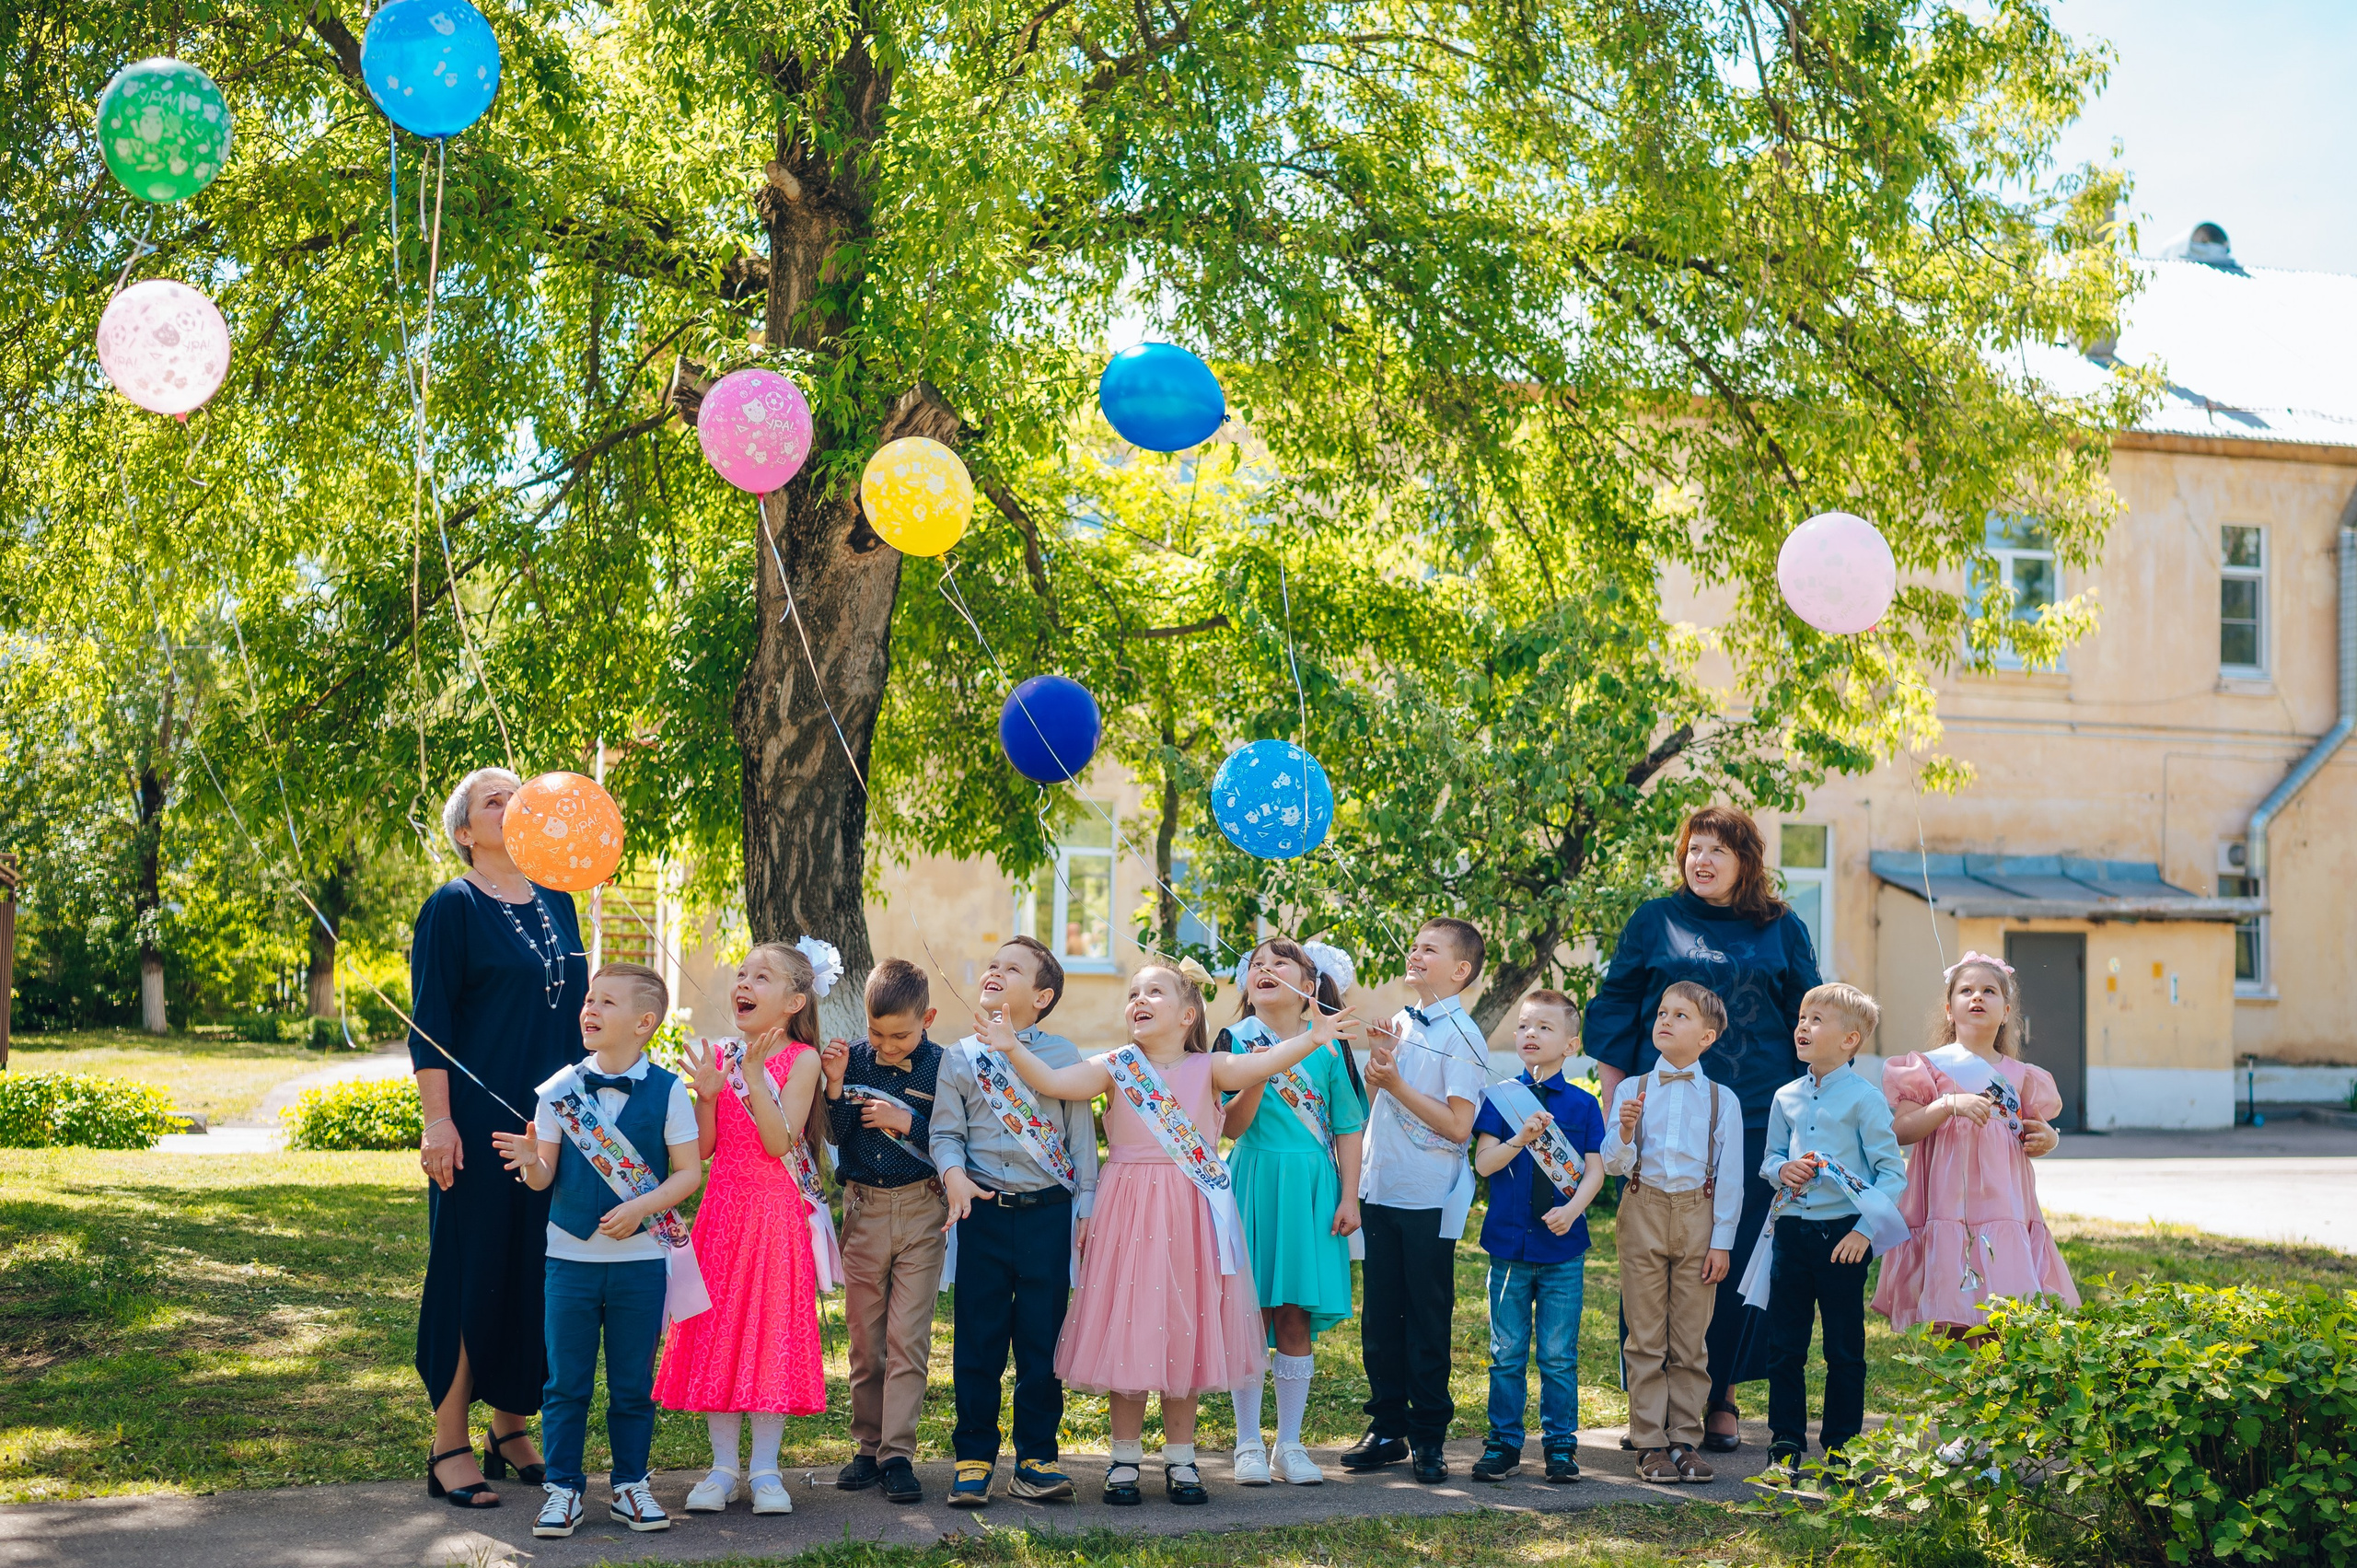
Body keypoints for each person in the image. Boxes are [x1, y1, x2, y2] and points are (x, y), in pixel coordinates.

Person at [992, 961, 1360, 1506]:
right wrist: (1011, 1048)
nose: (1140, 999)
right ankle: (1124, 1459)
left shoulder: (1211, 1066)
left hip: (1190, 1214)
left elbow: (1265, 1062)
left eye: (1155, 992)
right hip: (1129, 1215)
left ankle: (1182, 1461)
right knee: (1131, 1327)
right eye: (1134, 992)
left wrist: (1314, 1035)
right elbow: (1053, 1082)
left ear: (1188, 1014)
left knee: (1184, 1331)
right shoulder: (1116, 1067)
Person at [1584, 806, 1819, 1452]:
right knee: (1658, 1263)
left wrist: (1811, 1116)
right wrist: (1619, 1107)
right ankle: (1652, 1407)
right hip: (1660, 1120)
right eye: (1693, 848)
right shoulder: (1654, 920)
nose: (1702, 860)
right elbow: (1613, 1011)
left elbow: (1810, 1017)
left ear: (1746, 859)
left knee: (1732, 1259)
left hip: (1753, 1120)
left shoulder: (1781, 926)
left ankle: (1720, 1395)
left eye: (1718, 848)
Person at [410, 767, 583, 1510]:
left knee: (535, 1271)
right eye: (493, 798)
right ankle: (448, 1439)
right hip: (477, 1125)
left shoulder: (561, 902)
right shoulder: (451, 906)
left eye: (519, 794)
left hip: (551, 1119)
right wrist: (437, 1120)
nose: (512, 803)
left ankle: (511, 1430)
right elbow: (430, 1024)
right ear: (464, 832)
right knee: (469, 1267)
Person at [490, 962, 702, 1539]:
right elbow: (542, 1180)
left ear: (643, 1022)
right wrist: (532, 1162)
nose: (590, 1009)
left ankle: (631, 1485)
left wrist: (642, 1207)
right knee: (566, 1383)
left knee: (633, 1383)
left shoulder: (668, 1091)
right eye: (589, 999)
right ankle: (562, 1489)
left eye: (606, 1002)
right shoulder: (558, 1092)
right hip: (569, 1261)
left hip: (640, 1264)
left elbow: (688, 1173)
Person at [655, 940, 834, 1518]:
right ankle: (722, 1468)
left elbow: (780, 1142)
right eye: (741, 974)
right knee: (720, 1333)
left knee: (769, 1332)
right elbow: (704, 1150)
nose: (745, 984)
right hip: (722, 1211)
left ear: (794, 1000)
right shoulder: (720, 1055)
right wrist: (706, 1097)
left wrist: (754, 1075)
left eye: (762, 976)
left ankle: (765, 1469)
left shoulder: (802, 1059)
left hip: (775, 1213)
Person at [929, 937, 1101, 1508]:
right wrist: (952, 1172)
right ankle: (973, 1457)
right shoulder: (959, 1056)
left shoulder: (1064, 1055)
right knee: (976, 1341)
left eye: (1013, 968)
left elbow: (1080, 1142)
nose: (996, 971)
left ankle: (1036, 1459)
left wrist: (1086, 1207)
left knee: (1040, 1343)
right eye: (994, 964)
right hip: (981, 1214)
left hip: (1046, 1218)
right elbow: (945, 1133)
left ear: (1042, 995)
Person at [1216, 938, 1369, 1487]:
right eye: (1255, 964)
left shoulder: (1329, 1049)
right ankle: (1248, 1443)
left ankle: (1290, 1444)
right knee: (1249, 1313)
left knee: (1294, 1314)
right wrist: (1259, 1067)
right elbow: (1229, 1127)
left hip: (1311, 1183)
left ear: (1309, 986)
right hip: (1253, 1181)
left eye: (1279, 963)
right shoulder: (1234, 1041)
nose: (1263, 969)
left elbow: (1349, 1125)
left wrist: (1350, 1196)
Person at [1345, 918, 1490, 1485]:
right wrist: (1381, 1062)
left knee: (1427, 1319)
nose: (1414, 953)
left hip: (1429, 1197)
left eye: (1429, 949)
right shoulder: (1402, 1023)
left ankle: (1428, 1436)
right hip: (1382, 1187)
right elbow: (1375, 1100)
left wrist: (1398, 1082)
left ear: (1460, 971)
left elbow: (1459, 1126)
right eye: (1413, 944)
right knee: (1381, 1318)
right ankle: (1386, 1428)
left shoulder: (1463, 1035)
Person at [1873, 953, 2074, 1335]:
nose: (1977, 997)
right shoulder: (1928, 1067)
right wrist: (1948, 1105)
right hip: (1947, 1201)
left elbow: (2036, 1130)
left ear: (2006, 1011)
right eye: (1966, 990)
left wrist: (2049, 1138)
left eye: (1989, 991)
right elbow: (1902, 1130)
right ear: (1950, 1010)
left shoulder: (2023, 1076)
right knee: (1950, 1300)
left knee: (2006, 1302)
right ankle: (1958, 1380)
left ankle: (1996, 1383)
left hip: (2003, 1204)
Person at [1756, 982, 1907, 1482]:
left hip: (1844, 1237)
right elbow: (1770, 1158)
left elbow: (1891, 1174)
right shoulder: (1785, 1096)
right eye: (1802, 1017)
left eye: (1817, 1019)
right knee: (1785, 1345)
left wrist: (1864, 1232)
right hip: (1792, 1233)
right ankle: (1784, 1442)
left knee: (1844, 1349)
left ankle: (1842, 1447)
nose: (1802, 1026)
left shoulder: (1865, 1100)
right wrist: (1783, 1171)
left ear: (1850, 1039)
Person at [1601, 981, 1742, 1485]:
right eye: (1662, 1012)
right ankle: (1648, 1442)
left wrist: (1722, 1241)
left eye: (1680, 1015)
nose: (1665, 1020)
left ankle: (1684, 1438)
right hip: (1643, 1207)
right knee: (1644, 1335)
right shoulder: (1631, 1089)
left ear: (1706, 1036)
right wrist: (1622, 1130)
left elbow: (1730, 1176)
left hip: (1698, 1216)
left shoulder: (1722, 1099)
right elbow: (1615, 1165)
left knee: (1690, 1337)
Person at [1467, 991, 1608, 1485]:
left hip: (1562, 1248)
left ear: (1571, 1044)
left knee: (1557, 1353)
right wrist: (1520, 1139)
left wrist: (1572, 1211)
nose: (1531, 1034)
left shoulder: (1585, 1104)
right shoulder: (1502, 1097)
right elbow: (1484, 1163)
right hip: (1507, 1245)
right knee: (1505, 1351)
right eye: (1525, 1025)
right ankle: (1503, 1444)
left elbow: (1595, 1169)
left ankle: (1561, 1447)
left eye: (1545, 1028)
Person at [820, 958, 946, 1506]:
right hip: (864, 1209)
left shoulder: (944, 1066)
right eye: (877, 1032)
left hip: (922, 1209)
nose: (887, 1044)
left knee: (908, 1339)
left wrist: (906, 1122)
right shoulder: (854, 1058)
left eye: (900, 1034)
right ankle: (866, 1447)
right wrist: (833, 1084)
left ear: (928, 1019)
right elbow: (835, 1132)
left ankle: (898, 1453)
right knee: (866, 1340)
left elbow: (953, 1136)